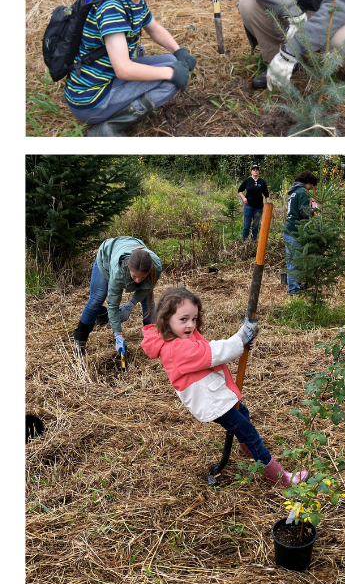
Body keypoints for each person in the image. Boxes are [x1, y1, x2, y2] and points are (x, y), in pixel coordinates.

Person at [142, 286, 308, 486]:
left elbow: (208, 348)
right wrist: (240, 338)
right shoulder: (174, 349)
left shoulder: (179, 337)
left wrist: (242, 343)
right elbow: (213, 353)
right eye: (184, 319)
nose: (191, 325)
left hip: (216, 395)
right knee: (250, 432)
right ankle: (280, 478)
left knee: (243, 415)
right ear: (166, 318)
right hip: (211, 401)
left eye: (194, 319)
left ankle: (247, 448)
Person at [64, 0, 194, 137]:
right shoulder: (112, 9)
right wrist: (171, 74)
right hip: (91, 101)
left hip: (106, 81)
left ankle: (122, 107)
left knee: (174, 64)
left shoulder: (132, 0)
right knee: (171, 80)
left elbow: (154, 29)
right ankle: (108, 128)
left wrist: (179, 51)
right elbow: (124, 69)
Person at [71, 237, 162, 362]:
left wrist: (129, 305)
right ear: (128, 266)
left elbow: (145, 288)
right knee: (98, 297)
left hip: (132, 248)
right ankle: (79, 341)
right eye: (134, 276)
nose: (137, 281)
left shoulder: (155, 267)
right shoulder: (119, 271)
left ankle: (153, 340)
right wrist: (118, 334)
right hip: (107, 255)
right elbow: (113, 304)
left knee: (147, 298)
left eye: (143, 277)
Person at [282, 170, 318, 296]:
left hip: (288, 227)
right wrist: (313, 208)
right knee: (294, 260)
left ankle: (295, 285)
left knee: (291, 259)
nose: (311, 188)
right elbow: (303, 212)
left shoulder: (293, 192)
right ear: (308, 182)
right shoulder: (303, 192)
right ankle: (293, 290)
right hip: (294, 229)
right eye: (311, 185)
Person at [237, 164, 270, 243]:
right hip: (248, 206)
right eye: (254, 170)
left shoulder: (262, 182)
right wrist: (244, 198)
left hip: (258, 208)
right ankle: (244, 242)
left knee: (255, 226)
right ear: (251, 171)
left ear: (258, 172)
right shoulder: (247, 181)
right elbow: (239, 190)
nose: (255, 171)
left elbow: (266, 194)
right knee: (246, 226)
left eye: (257, 170)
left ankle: (253, 242)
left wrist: (268, 204)